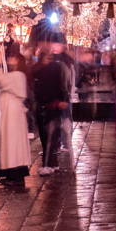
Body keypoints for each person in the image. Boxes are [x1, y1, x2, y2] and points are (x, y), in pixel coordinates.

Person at [0, 51, 31, 187]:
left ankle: (16, 176)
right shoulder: (17, 75)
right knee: (11, 142)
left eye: (13, 57)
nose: (9, 58)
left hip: (13, 114)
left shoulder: (17, 75)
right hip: (12, 112)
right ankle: (12, 174)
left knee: (13, 143)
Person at [30, 41, 70, 175]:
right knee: (44, 134)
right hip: (42, 102)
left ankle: (47, 164)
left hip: (53, 103)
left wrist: (63, 100)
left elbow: (62, 84)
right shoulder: (39, 67)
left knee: (51, 134)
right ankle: (52, 162)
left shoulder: (56, 67)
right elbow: (33, 74)